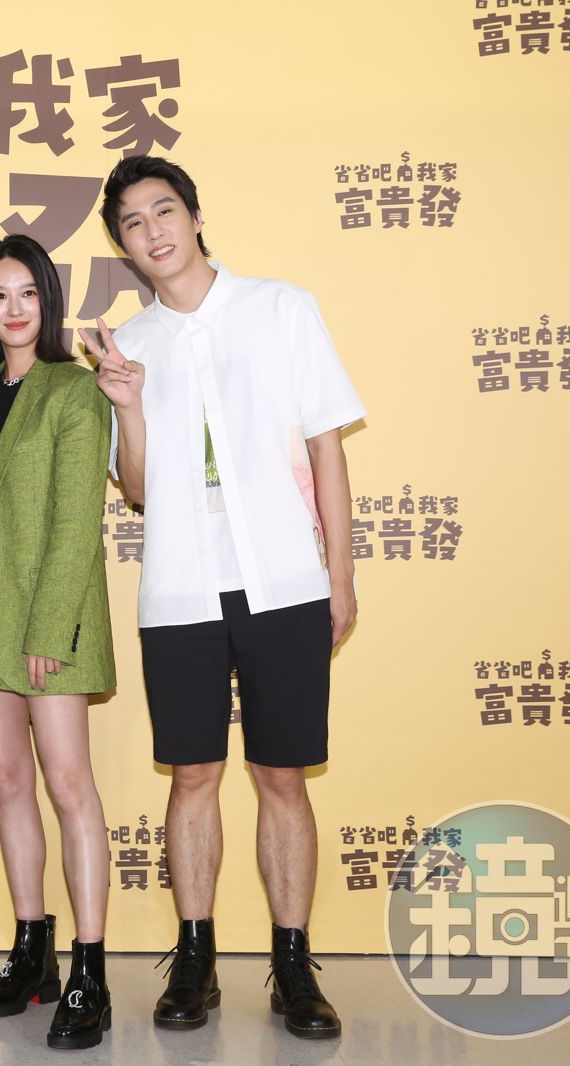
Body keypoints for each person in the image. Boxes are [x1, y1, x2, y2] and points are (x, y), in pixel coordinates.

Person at [83, 156, 364, 1040]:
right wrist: (128, 405)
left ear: (196, 215)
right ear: (123, 246)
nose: (153, 231)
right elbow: (135, 489)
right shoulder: (129, 346)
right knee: (193, 774)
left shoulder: (281, 308)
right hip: (180, 589)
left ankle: (294, 966)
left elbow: (326, 448)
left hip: (284, 579)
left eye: (164, 210)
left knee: (282, 774)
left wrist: (341, 576)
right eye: (133, 223)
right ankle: (194, 960)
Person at [0, 235, 115, 1050]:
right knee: (9, 782)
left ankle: (90, 969)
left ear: (47, 302)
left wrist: (49, 630)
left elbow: (78, 520)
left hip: (53, 624)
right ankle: (31, 950)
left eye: (27, 293)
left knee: (70, 786)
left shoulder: (74, 391)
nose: (13, 309)